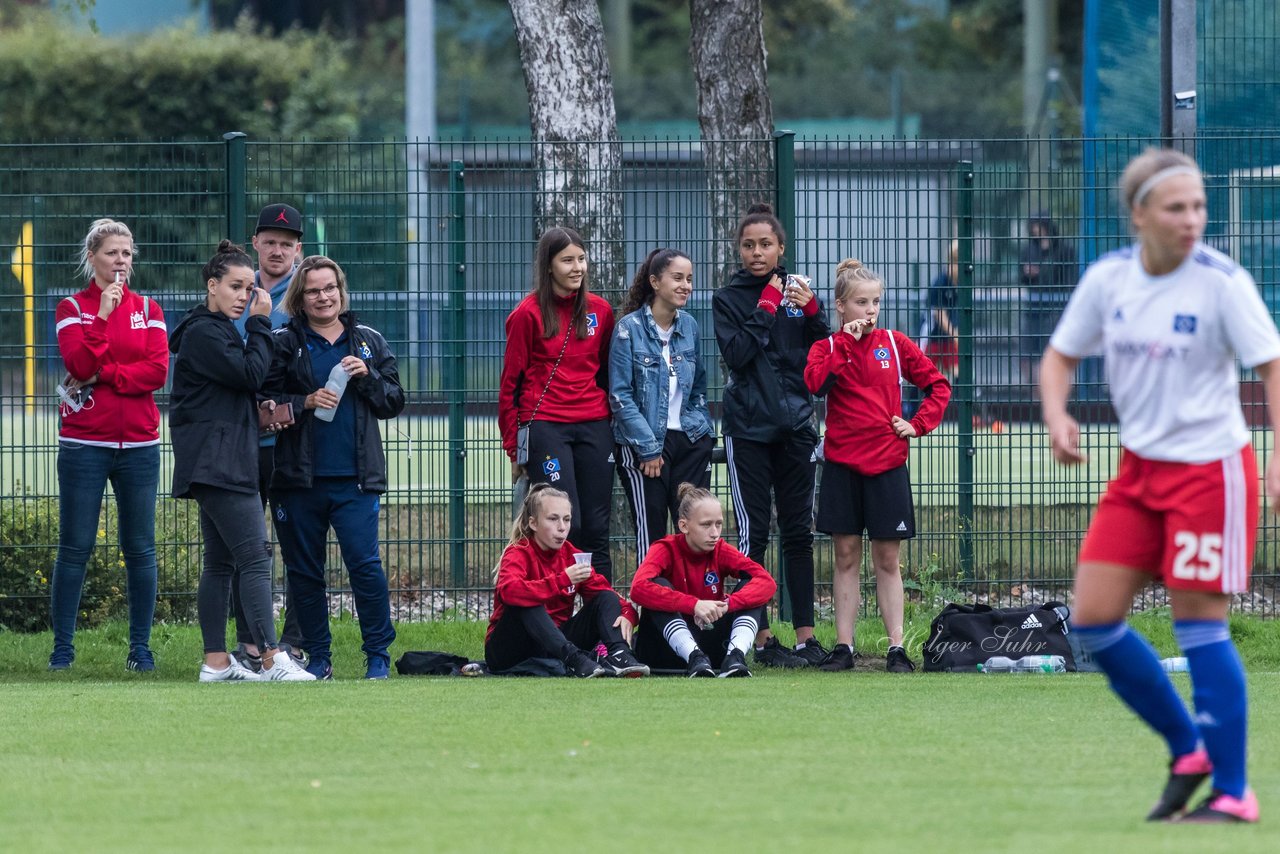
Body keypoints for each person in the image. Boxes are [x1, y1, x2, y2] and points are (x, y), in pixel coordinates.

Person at [1041, 148, 1279, 823]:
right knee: (1091, 620)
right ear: (1140, 213)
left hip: (1211, 472)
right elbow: (1058, 358)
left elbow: (1272, 367)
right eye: (1177, 207)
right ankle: (1187, 749)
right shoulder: (1109, 279)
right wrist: (1058, 416)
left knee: (1200, 625)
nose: (1193, 219)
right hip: (1139, 471)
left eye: (1199, 206)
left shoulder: (1222, 283)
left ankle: (1234, 792)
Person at [168, 240, 314, 682]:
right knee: (254, 557)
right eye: (235, 286)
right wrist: (261, 323)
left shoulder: (214, 331)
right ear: (212, 286)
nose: (244, 296)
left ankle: (216, 663)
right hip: (220, 462)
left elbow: (238, 385)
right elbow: (252, 373)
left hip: (219, 459)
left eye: (250, 289)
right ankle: (272, 658)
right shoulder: (206, 332)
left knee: (220, 562)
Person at [805, 260, 951, 673]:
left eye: (875, 302)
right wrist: (847, 345)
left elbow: (939, 386)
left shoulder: (896, 343)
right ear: (840, 307)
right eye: (861, 303)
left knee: (887, 560)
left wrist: (917, 423)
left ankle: (897, 648)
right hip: (841, 467)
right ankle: (844, 648)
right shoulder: (828, 348)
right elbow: (816, 385)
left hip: (887, 466)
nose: (870, 311)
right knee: (846, 557)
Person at [263, 255, 404, 680]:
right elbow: (261, 402)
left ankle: (378, 654)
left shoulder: (369, 341)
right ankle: (319, 658)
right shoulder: (282, 341)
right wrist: (303, 402)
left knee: (364, 566)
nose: (323, 297)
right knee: (304, 572)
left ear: (341, 291)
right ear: (300, 298)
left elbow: (393, 402)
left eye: (330, 288)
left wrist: (368, 377)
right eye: (313, 290)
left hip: (355, 481)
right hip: (296, 479)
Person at [49, 219, 168, 672]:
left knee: (139, 547)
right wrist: (100, 317)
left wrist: (105, 375)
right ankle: (63, 649)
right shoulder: (71, 308)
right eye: (112, 254)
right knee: (75, 546)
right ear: (93, 258)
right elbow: (77, 361)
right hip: (84, 443)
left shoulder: (150, 309)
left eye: (127, 254)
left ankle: (140, 649)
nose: (121, 262)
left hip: (140, 444)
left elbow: (156, 373)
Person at [713, 202, 829, 668]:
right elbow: (738, 355)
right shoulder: (728, 299)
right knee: (753, 535)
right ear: (739, 250)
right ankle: (758, 640)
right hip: (749, 431)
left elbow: (824, 350)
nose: (757, 253)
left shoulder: (798, 293)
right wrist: (764, 306)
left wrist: (814, 310)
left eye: (765, 244)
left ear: (781, 248)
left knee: (799, 532)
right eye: (748, 245)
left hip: (798, 429)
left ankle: (805, 638)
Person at [499, 227, 617, 579]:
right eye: (567, 260)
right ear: (548, 266)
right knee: (568, 523)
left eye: (581, 258)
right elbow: (510, 387)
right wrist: (514, 450)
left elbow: (607, 375)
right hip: (546, 426)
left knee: (597, 528)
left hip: (595, 424)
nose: (577, 267)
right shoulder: (527, 314)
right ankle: (558, 605)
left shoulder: (601, 311)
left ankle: (602, 617)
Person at [228, 203, 307, 673]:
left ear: (299, 248)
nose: (277, 250)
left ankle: (294, 642)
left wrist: (287, 408)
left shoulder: (311, 290)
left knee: (298, 546)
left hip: (298, 443)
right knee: (245, 547)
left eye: (287, 243)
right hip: (245, 443)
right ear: (254, 243)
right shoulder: (240, 292)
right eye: (269, 241)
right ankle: (251, 645)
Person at [609, 248, 715, 559]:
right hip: (646, 448)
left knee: (694, 530)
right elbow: (619, 395)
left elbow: (698, 387)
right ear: (655, 282)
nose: (686, 285)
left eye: (690, 279)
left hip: (690, 442)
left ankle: (693, 604)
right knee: (653, 536)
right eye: (678, 278)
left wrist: (700, 430)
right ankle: (651, 606)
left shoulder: (690, 326)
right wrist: (649, 447)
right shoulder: (628, 329)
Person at [484, 483, 647, 678]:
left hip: (555, 642)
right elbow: (510, 592)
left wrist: (629, 614)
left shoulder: (572, 554)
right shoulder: (518, 552)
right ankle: (575, 659)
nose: (562, 527)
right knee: (527, 601)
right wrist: (562, 580)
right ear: (533, 523)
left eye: (567, 519)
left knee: (604, 597)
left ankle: (621, 655)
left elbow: (608, 596)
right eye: (553, 519)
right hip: (509, 649)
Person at [630, 483, 777, 678]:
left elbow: (767, 582)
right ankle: (693, 656)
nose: (715, 533)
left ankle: (735, 657)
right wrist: (694, 605)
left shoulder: (721, 549)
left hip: (711, 649)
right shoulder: (664, 548)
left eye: (719, 524)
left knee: (750, 587)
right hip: (663, 651)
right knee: (658, 586)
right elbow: (638, 588)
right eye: (706, 525)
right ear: (683, 525)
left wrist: (728, 604)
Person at [1020, 213, 1076, 385]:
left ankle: (1055, 390)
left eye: (1039, 226)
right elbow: (1021, 277)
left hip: (1055, 309)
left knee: (1054, 351)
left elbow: (1069, 279)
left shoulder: (1064, 249)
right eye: (1033, 227)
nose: (1036, 231)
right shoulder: (1028, 249)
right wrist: (1028, 274)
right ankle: (1036, 391)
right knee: (1028, 353)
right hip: (1034, 309)